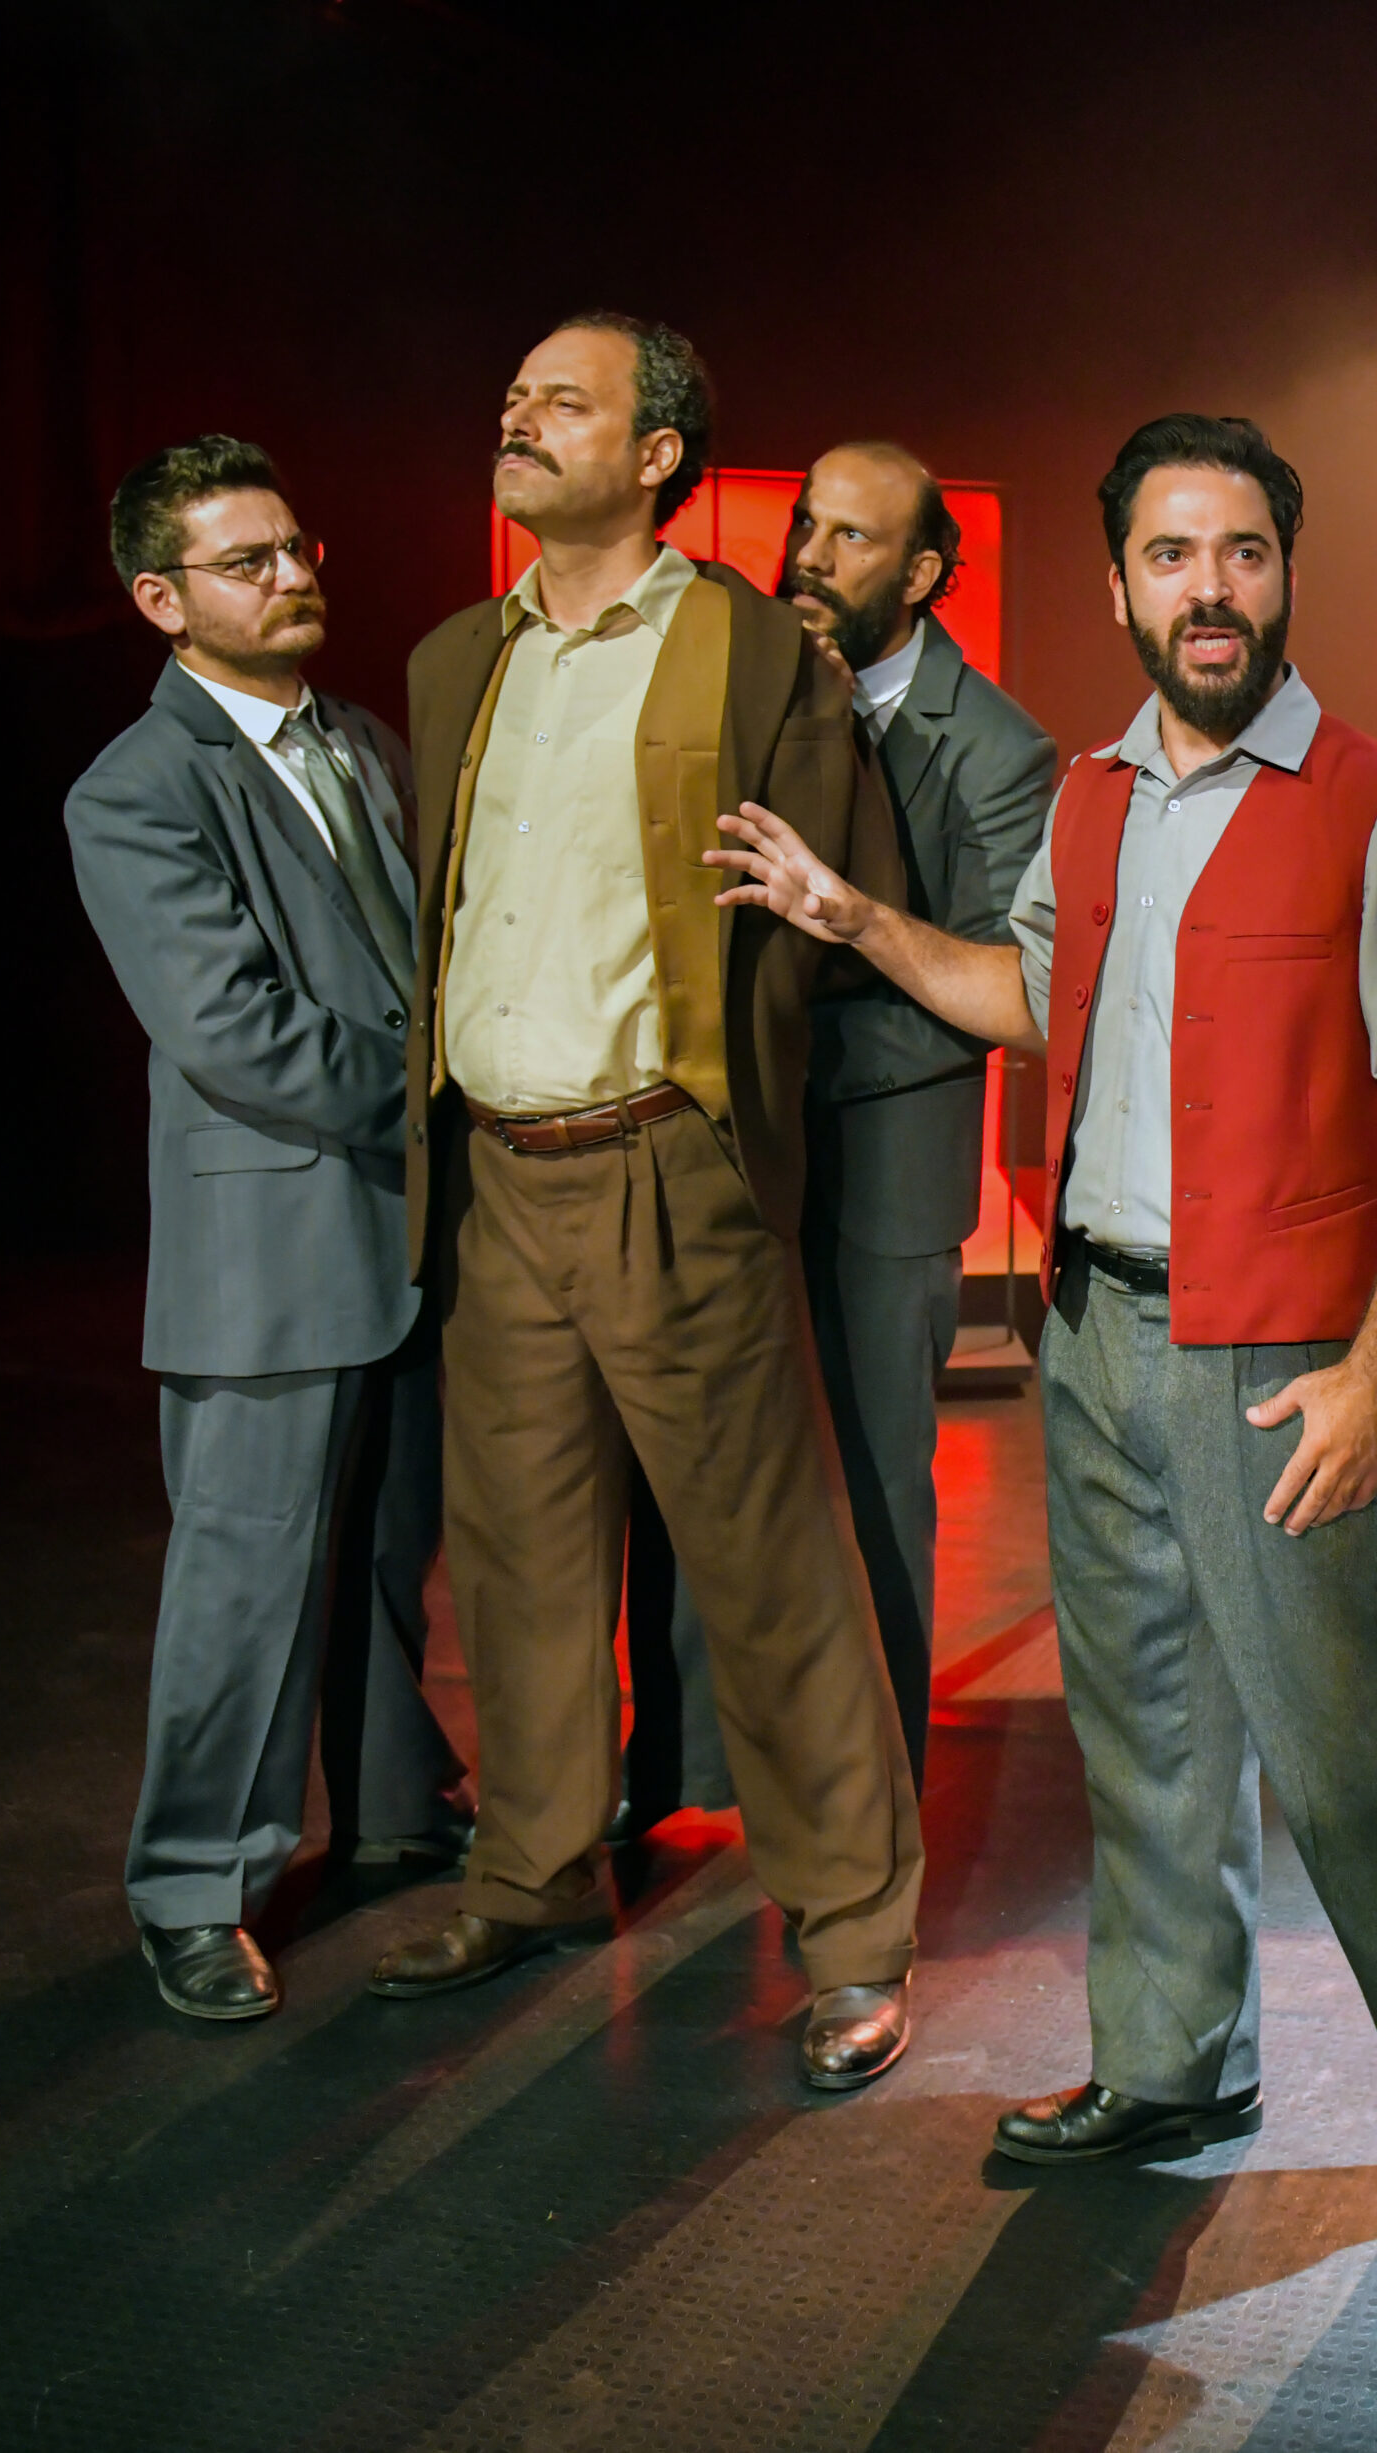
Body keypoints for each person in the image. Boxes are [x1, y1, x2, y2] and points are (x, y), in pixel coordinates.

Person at [711, 414, 1377, 2274]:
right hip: (1095, 1328)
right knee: (1151, 1732)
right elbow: (1030, 992)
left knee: (1363, 1749)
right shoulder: (1093, 796)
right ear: (1118, 587)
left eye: (1243, 551)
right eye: (1172, 555)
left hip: (1283, 1361)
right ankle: (1175, 2067)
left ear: (1286, 573)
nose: (1210, 589)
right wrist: (851, 916)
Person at [369, 316, 922, 2095]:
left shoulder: (755, 650)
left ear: (660, 450)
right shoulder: (461, 657)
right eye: (512, 397)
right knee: (518, 1558)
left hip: (669, 1165)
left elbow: (835, 910)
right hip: (494, 1174)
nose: (518, 420)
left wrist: (722, 1103)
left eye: (564, 402)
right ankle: (533, 1871)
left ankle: (853, 1932)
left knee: (766, 1566)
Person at [66, 435, 468, 2023]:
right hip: (272, 1253)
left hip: (406, 1233)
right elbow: (236, 1032)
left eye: (299, 548)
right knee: (244, 1579)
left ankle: (391, 1806)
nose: (295, 576)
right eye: (250, 562)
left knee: (382, 1548)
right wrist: (446, 1099)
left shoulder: (359, 739)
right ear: (161, 600)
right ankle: (192, 1887)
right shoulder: (134, 789)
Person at [612, 443, 1055, 1824]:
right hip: (727, 1148)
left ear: (923, 574)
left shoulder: (999, 748)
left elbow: (1003, 993)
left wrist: (801, 1035)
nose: (808, 556)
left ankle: (874, 1796)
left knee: (869, 1484)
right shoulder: (737, 698)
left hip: (884, 1170)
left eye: (851, 539)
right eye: (807, 526)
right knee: (696, 1463)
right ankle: (680, 1770)